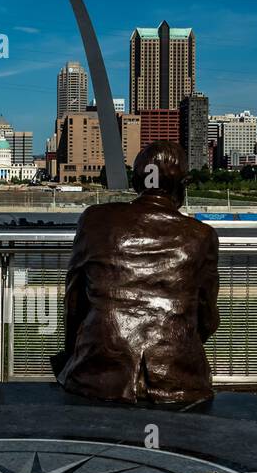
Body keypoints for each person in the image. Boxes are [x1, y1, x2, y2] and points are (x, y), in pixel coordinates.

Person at [52, 140, 219, 405]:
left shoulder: (95, 220)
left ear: (135, 182)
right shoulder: (201, 236)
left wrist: (76, 352)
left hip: (97, 376)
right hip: (178, 382)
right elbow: (208, 319)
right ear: (183, 186)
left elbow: (74, 302)